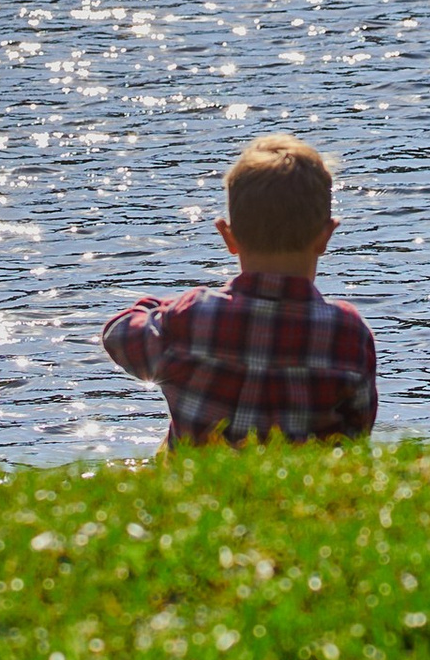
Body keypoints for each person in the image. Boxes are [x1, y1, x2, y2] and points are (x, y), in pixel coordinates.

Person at [101, 133, 378, 447]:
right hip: (298, 491)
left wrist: (165, 307)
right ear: (326, 236)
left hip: (197, 491)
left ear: (227, 237)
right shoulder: (348, 331)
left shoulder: (192, 316)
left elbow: (118, 335)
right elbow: (358, 431)